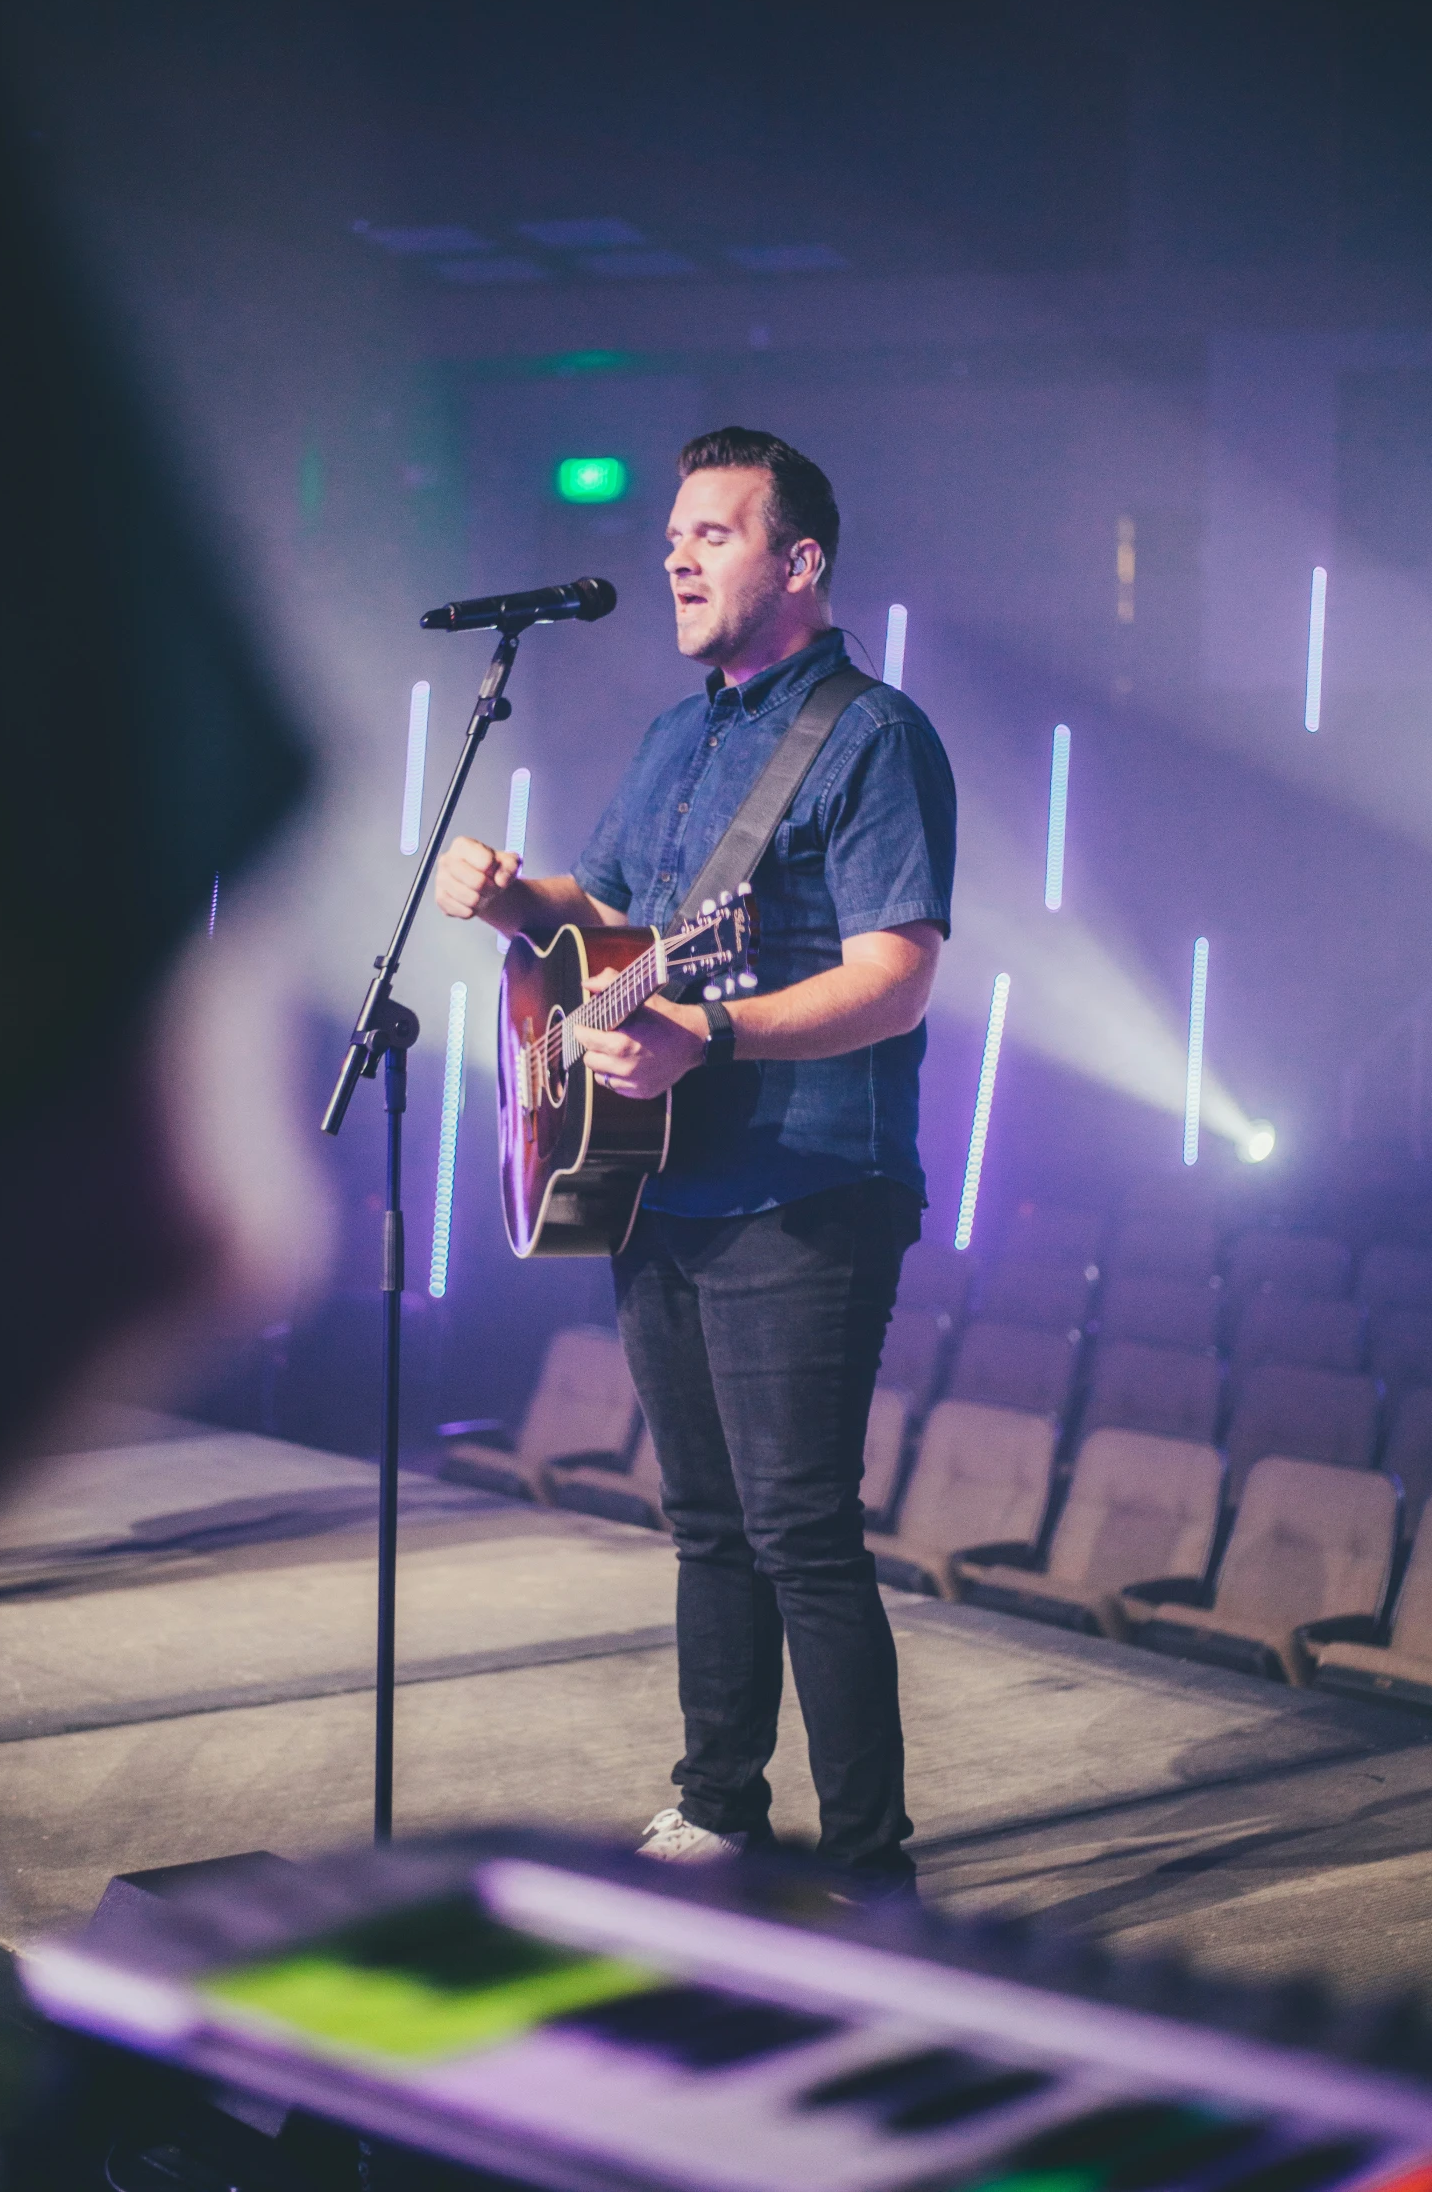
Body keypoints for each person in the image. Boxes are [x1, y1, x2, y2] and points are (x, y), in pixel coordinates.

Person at [435, 427, 955, 1894]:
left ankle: (867, 1866)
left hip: (805, 1182)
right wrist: (506, 897)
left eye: (711, 534)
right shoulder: (679, 735)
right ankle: (718, 1800)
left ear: (799, 563)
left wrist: (707, 1035)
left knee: (801, 1530)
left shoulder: (869, 734)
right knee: (705, 1520)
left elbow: (895, 973)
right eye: (673, 533)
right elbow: (602, 917)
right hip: (657, 1169)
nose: (674, 554)